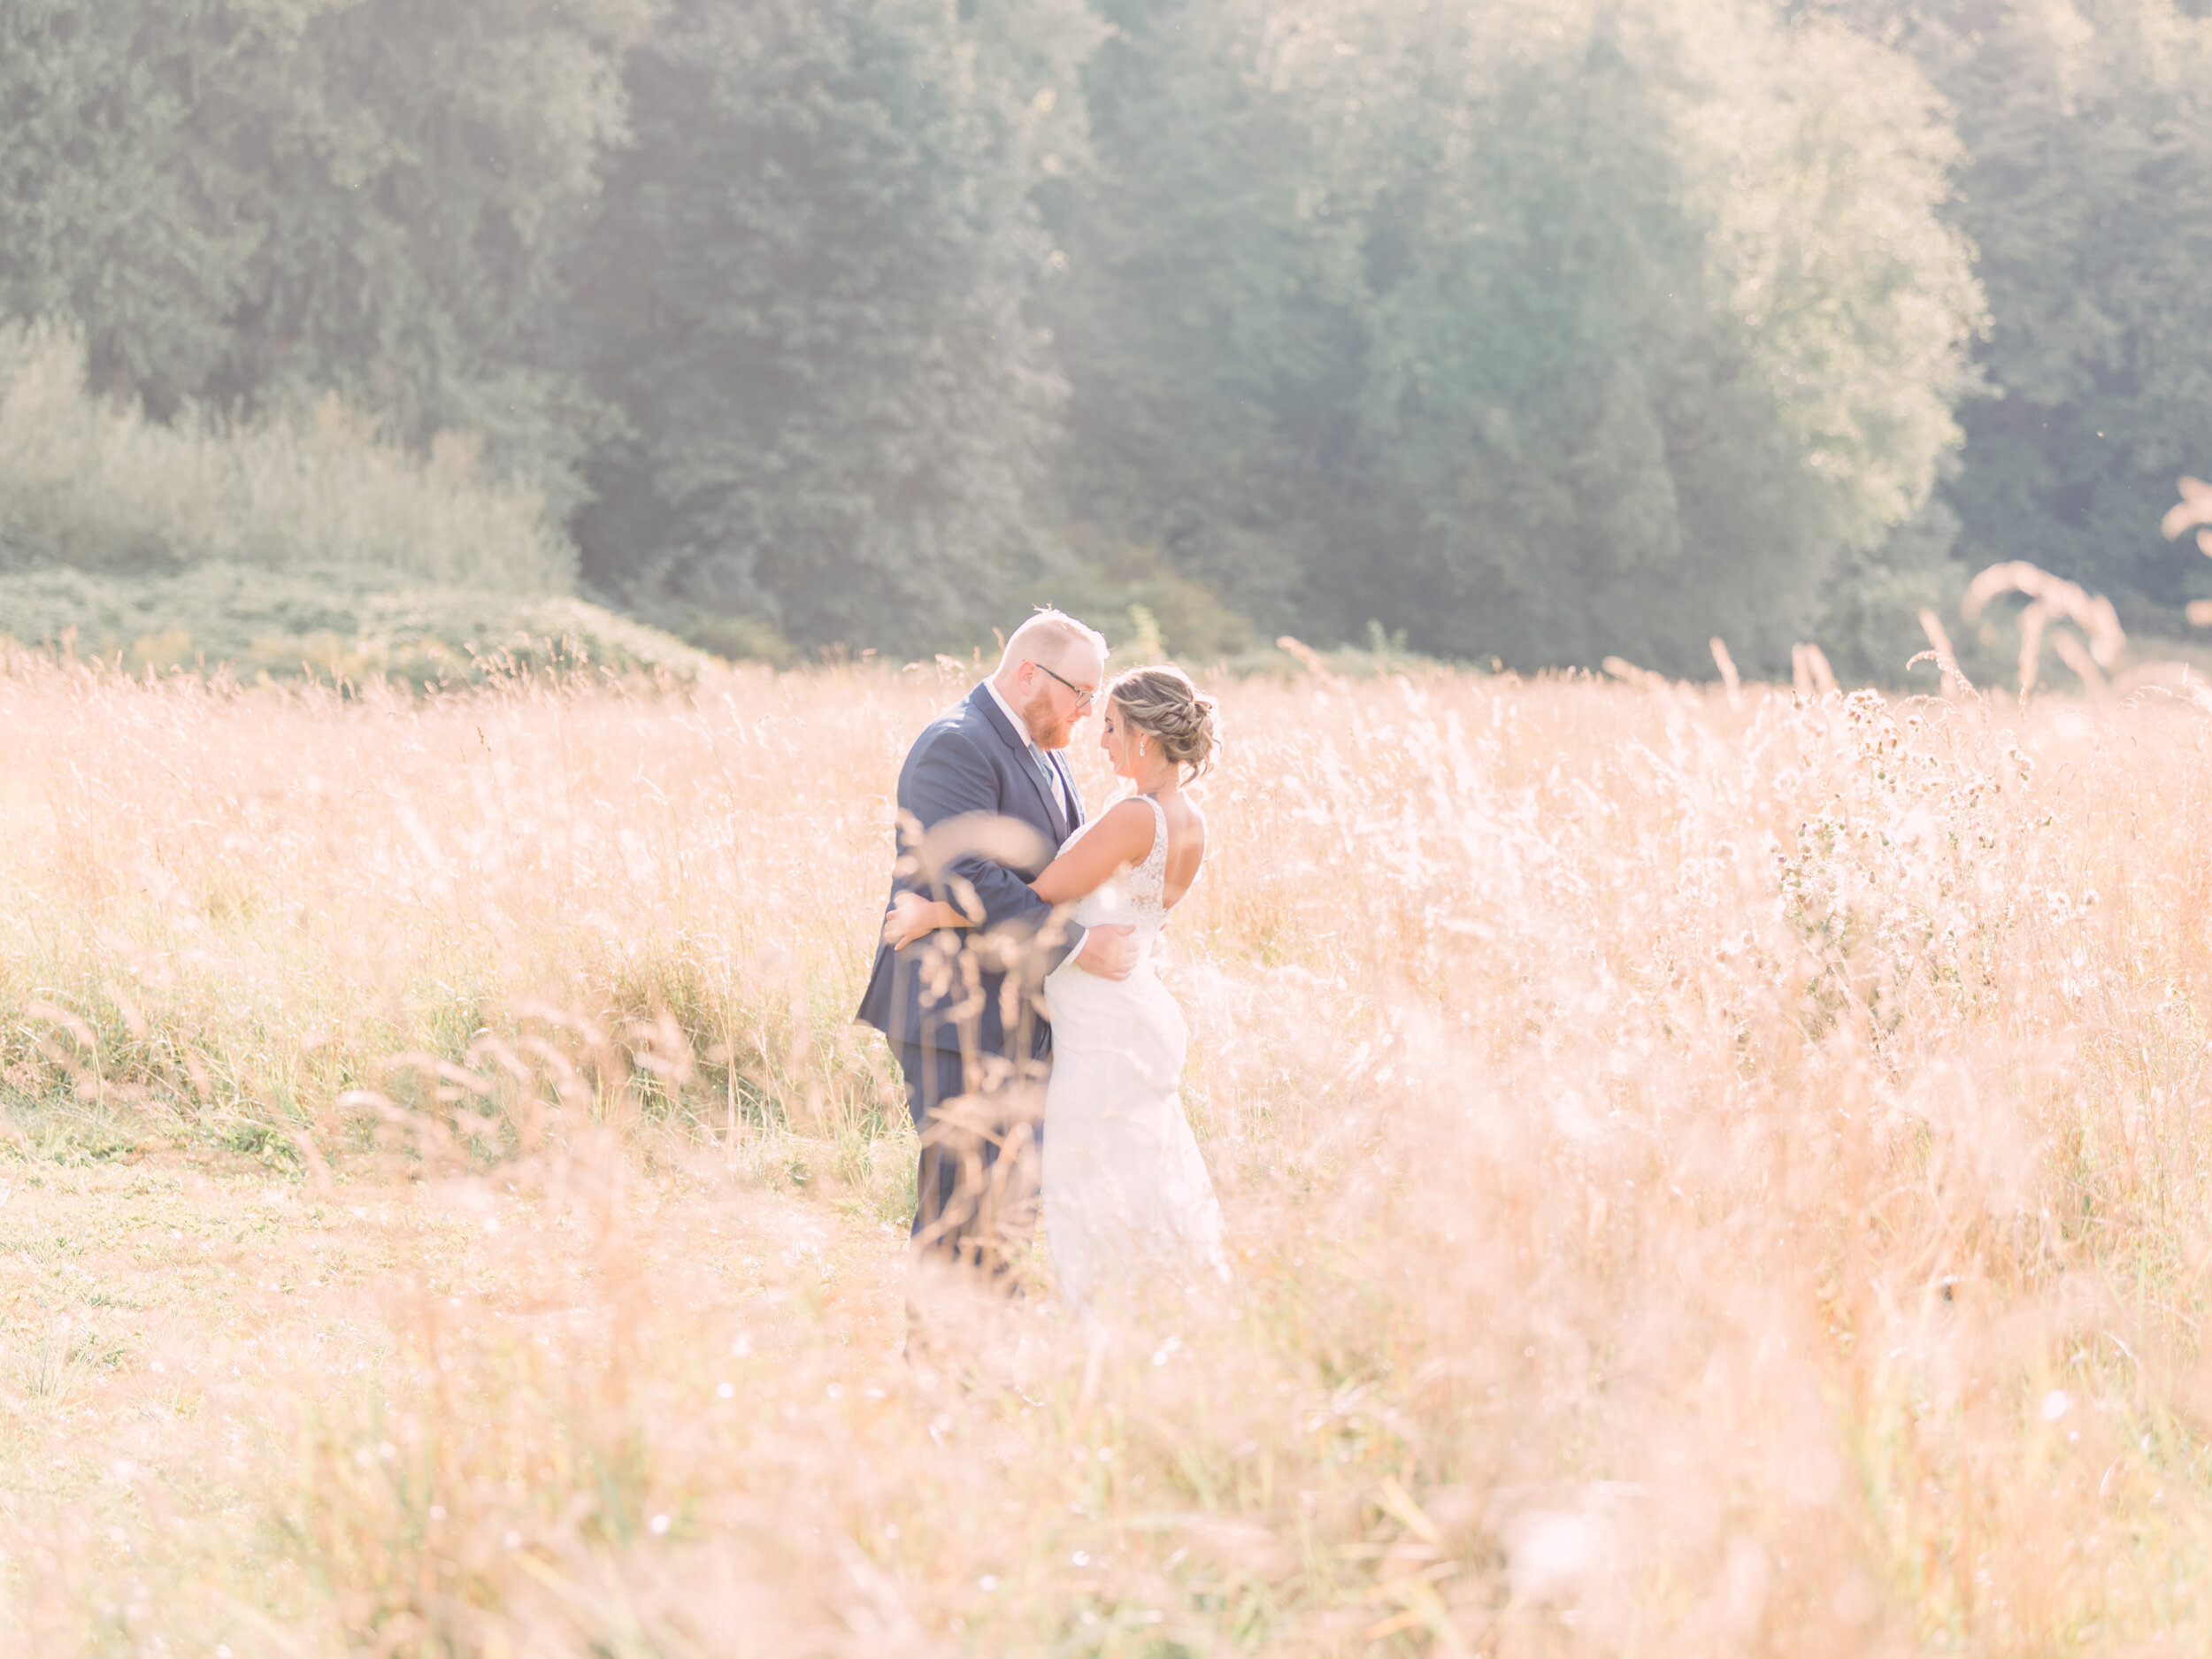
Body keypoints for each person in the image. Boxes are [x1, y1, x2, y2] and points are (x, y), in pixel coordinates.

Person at [886, 664, 1228, 1311]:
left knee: (1090, 1187)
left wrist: (934, 912)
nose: (1099, 741)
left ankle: (1112, 1329)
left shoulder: (1134, 817)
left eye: (1110, 728)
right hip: (1137, 1007)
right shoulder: (1192, 820)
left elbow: (1038, 896)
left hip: (1102, 1021)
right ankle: (1165, 1322)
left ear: (1145, 740)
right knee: (1142, 1176)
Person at [856, 611, 1137, 1290]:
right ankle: (940, 1374)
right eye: (1081, 692)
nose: (1089, 709)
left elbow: (1048, 874)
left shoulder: (1048, 748)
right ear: (1027, 674)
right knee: (959, 1207)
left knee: (1010, 1204)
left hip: (1019, 1014)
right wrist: (1075, 945)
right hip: (954, 1013)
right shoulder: (956, 744)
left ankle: (989, 1373)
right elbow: (972, 874)